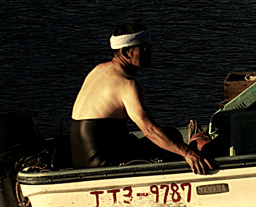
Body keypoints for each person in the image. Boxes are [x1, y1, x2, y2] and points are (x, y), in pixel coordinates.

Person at [70, 22, 212, 174]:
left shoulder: (98, 70)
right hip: (102, 163)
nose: (149, 52)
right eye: (144, 48)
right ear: (125, 52)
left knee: (170, 135)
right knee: (172, 137)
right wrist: (187, 153)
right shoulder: (127, 85)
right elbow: (149, 130)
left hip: (80, 159)